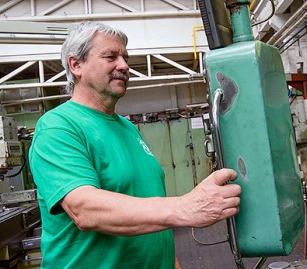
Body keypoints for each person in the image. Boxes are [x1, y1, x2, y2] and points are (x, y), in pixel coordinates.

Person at [29, 21, 241, 269]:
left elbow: (148, 207)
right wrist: (184, 207)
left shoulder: (126, 127)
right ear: (76, 65)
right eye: (111, 57)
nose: (124, 66)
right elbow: (84, 209)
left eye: (125, 58)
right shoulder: (58, 127)